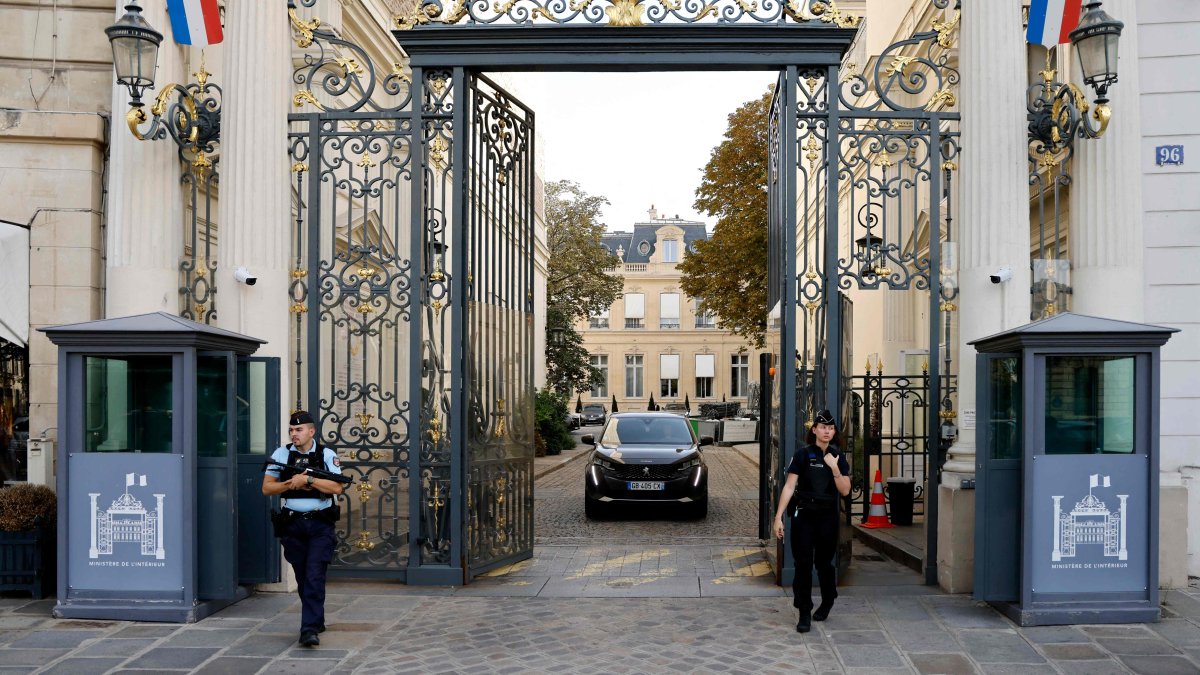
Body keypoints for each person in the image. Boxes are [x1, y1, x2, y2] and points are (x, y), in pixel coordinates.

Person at [262, 410, 346, 647]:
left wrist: (308, 480)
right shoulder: (281, 454)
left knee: (314, 575)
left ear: (311, 431)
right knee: (302, 575)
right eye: (291, 430)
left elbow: (337, 487)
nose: (294, 434)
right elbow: (267, 488)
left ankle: (308, 629)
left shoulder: (326, 454)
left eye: (299, 430)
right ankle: (316, 618)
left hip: (320, 523)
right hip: (293, 524)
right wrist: (291, 483)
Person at [772, 409, 851, 633]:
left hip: (827, 516)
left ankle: (828, 601)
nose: (826, 431)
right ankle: (804, 611)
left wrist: (834, 467)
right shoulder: (802, 454)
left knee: (824, 564)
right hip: (804, 515)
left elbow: (845, 491)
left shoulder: (838, 456)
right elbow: (789, 486)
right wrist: (778, 517)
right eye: (822, 427)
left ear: (834, 432)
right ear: (814, 430)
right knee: (803, 564)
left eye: (831, 428)